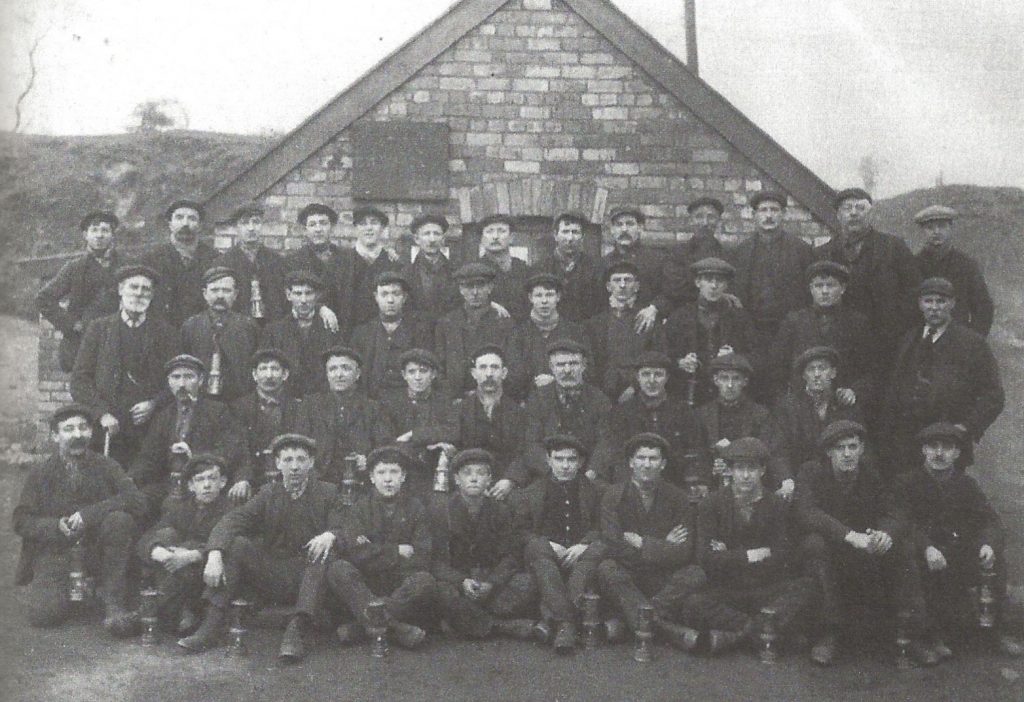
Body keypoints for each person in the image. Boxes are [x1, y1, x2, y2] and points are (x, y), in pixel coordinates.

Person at [179, 433, 347, 660]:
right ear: (278, 463)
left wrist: (330, 535)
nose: (294, 467)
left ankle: (296, 631)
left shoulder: (328, 492)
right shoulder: (269, 493)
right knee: (238, 544)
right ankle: (210, 626)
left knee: (324, 552)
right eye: (287, 460)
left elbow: (345, 526)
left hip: (311, 577)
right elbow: (233, 520)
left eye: (300, 459)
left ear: (311, 462)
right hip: (273, 574)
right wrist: (214, 554)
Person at [796, 420, 932, 666]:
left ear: (861, 449)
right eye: (840, 448)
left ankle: (912, 634)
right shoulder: (811, 472)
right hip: (833, 547)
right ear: (829, 452)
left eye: (852, 446)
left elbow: (895, 511)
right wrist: (848, 535)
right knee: (813, 545)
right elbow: (807, 512)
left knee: (904, 547)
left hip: (866, 547)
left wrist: (885, 534)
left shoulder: (871, 472)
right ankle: (829, 633)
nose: (847, 454)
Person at [13, 404, 145, 634]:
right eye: (69, 429)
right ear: (55, 436)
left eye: (83, 428)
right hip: (57, 552)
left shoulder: (107, 466)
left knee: (120, 520)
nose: (77, 435)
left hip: (98, 550)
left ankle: (113, 602)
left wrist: (89, 515)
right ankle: (68, 592)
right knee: (44, 616)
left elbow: (136, 500)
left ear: (91, 433)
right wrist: (55, 526)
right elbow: (21, 520)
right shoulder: (40, 472)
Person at [895, 423, 1023, 658]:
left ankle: (995, 632)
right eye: (933, 446)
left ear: (957, 453)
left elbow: (991, 521)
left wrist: (988, 544)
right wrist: (927, 547)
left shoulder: (966, 484)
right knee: (908, 560)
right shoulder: (907, 483)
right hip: (925, 554)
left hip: (956, 554)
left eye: (947, 447)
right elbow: (902, 523)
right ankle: (927, 636)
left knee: (995, 560)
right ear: (923, 450)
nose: (939, 453)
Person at [682, 437, 816, 654]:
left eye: (751, 469)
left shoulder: (776, 505)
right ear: (730, 471)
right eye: (740, 469)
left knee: (807, 587)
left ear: (762, 470)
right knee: (693, 605)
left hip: (765, 588)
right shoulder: (711, 505)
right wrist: (752, 555)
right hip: (727, 589)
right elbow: (705, 558)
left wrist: (728, 555)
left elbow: (782, 556)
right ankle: (766, 633)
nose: (745, 476)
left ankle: (733, 637)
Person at [596, 433, 708, 651]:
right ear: (631, 462)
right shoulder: (613, 495)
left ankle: (636, 619)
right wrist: (663, 545)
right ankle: (667, 629)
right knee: (606, 568)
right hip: (629, 576)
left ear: (663, 464)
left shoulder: (679, 498)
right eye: (641, 458)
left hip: (663, 580)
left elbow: (684, 552)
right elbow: (614, 546)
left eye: (653, 459)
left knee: (696, 573)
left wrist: (643, 543)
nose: (646, 464)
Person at [884, 277, 1004, 471]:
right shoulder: (908, 339)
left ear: (952, 303)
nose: (934, 307)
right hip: (905, 441)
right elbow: (894, 388)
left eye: (941, 301)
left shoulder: (972, 344)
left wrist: (966, 427)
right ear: (920, 304)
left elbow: (994, 396)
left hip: (947, 442)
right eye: (928, 301)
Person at [327, 446, 438, 650]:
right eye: (381, 472)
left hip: (400, 585)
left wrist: (374, 551)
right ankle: (396, 628)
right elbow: (357, 553)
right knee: (338, 569)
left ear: (403, 476)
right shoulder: (360, 507)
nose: (388, 479)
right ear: (371, 477)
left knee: (425, 581)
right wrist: (396, 551)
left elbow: (422, 556)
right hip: (367, 583)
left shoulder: (416, 508)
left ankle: (361, 626)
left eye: (394, 472)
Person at [70, 264, 181, 465]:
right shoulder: (99, 329)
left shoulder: (166, 333)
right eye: (133, 287)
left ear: (152, 294)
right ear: (121, 290)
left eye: (145, 289)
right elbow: (79, 380)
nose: (139, 293)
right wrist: (101, 414)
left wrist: (154, 404)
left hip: (149, 427)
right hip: (108, 427)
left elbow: (175, 381)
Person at [430, 448, 538, 640]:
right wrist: (461, 581)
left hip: (489, 582)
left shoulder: (501, 511)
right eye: (467, 473)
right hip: (459, 583)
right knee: (440, 592)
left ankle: (465, 621)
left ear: (489, 480)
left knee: (527, 583)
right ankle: (501, 626)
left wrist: (491, 583)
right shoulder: (442, 511)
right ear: (456, 479)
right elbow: (436, 562)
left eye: (481, 473)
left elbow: (511, 557)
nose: (474, 479)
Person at [512, 434, 606, 653]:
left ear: (581, 462)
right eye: (559, 459)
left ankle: (558, 623)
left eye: (571, 460)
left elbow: (604, 527)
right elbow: (519, 533)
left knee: (599, 548)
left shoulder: (595, 492)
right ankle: (568, 623)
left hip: (581, 558)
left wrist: (584, 544)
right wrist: (547, 545)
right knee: (536, 550)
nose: (565, 466)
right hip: (546, 557)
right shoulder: (531, 493)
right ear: (548, 459)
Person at [129, 354, 245, 518]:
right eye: (176, 377)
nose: (182, 384)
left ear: (201, 380)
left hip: (205, 485)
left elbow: (230, 452)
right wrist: (129, 480)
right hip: (169, 485)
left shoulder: (217, 411)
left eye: (189, 377)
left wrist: (194, 455)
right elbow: (149, 458)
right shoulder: (163, 415)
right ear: (169, 382)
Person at [816, 188, 921, 363]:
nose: (854, 213)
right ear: (838, 215)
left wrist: (897, 328)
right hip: (841, 343)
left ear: (870, 213)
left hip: (887, 343)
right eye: (847, 208)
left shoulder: (893, 247)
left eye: (860, 208)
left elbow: (914, 292)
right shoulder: (823, 253)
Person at [136, 453, 233, 635]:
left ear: (223, 482)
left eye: (212, 478)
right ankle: (175, 614)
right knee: (166, 534)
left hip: (205, 582)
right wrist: (157, 551)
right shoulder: (181, 508)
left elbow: (231, 546)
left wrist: (190, 555)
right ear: (190, 485)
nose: (206, 485)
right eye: (200, 479)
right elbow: (146, 538)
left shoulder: (230, 510)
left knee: (189, 547)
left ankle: (149, 613)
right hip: (178, 575)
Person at [590, 351, 708, 487]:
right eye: (646, 374)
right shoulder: (620, 413)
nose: (652, 380)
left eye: (658, 374)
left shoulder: (683, 412)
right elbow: (612, 455)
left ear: (667, 377)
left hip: (673, 487)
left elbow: (696, 451)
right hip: (631, 487)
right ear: (637, 377)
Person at [771, 261, 876, 406]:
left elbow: (870, 370)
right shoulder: (794, 321)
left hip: (841, 402)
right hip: (801, 403)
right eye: (819, 286)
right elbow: (778, 366)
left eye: (831, 285)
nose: (824, 291)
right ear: (811, 289)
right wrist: (787, 399)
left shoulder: (857, 323)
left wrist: (854, 391)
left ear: (843, 288)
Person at [768, 346, 862, 501]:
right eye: (811, 370)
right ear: (804, 375)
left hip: (839, 483)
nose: (817, 375)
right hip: (801, 484)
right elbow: (778, 450)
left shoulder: (845, 405)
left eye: (822, 368)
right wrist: (786, 479)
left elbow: (861, 447)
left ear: (833, 373)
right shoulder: (788, 407)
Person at [295, 346, 394, 488]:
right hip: (319, 481)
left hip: (360, 481)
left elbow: (385, 447)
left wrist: (368, 460)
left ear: (358, 373)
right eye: (332, 369)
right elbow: (300, 445)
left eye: (345, 368)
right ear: (327, 374)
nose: (339, 374)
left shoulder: (373, 408)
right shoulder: (310, 405)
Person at [37, 210, 123, 372]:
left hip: (117, 340)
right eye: (94, 230)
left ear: (112, 235)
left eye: (105, 230)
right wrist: (71, 324)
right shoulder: (74, 267)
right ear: (85, 235)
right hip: (82, 342)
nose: (99, 235)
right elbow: (43, 298)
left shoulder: (126, 265)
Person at [730, 191, 815, 352]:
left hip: (791, 330)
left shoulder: (801, 250)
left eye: (774, 210)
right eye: (763, 210)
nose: (769, 216)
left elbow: (810, 292)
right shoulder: (741, 252)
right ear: (754, 215)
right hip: (752, 330)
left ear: (783, 214)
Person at [664, 257, 755, 406]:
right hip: (689, 392)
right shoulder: (679, 317)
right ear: (698, 282)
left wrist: (735, 358)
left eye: (719, 281)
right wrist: (680, 362)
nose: (714, 286)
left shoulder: (740, 318)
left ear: (726, 285)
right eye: (708, 280)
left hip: (727, 394)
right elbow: (664, 353)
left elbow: (758, 356)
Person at [522, 339, 611, 483]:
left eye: (573, 364)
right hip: (548, 474)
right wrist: (553, 471)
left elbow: (605, 443)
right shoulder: (538, 399)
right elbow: (531, 443)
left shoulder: (599, 400)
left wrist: (592, 472)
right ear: (551, 367)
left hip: (587, 476)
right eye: (561, 364)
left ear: (583, 366)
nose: (567, 370)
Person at [585, 260, 667, 402]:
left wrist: (635, 388)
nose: (622, 285)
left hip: (639, 394)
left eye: (628, 280)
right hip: (600, 393)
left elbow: (658, 359)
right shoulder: (594, 323)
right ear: (608, 287)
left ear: (636, 286)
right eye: (617, 280)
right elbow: (589, 362)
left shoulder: (648, 320)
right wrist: (598, 392)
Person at [228, 348, 306, 498]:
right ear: (254, 375)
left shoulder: (299, 408)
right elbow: (238, 447)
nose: (269, 375)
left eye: (275, 369)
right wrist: (243, 478)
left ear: (285, 374)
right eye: (263, 369)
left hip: (287, 478)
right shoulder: (238, 408)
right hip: (252, 480)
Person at [380, 349, 458, 497]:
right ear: (404, 375)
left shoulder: (444, 402)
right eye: (412, 372)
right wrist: (429, 445)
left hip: (434, 470)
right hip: (401, 470)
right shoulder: (390, 403)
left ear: (433, 374)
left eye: (423, 371)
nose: (417, 377)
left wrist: (413, 435)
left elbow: (453, 430)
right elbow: (387, 440)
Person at [454, 345, 528, 495]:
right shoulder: (460, 410)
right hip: (469, 484)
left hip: (506, 484)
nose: (489, 373)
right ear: (474, 373)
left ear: (504, 373)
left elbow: (524, 451)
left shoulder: (518, 412)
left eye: (495, 367)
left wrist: (510, 480)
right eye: (483, 367)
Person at [434, 262, 516, 398]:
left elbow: (512, 366)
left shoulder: (504, 323)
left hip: (494, 397)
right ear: (461, 289)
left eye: (481, 286)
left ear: (490, 287)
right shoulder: (446, 323)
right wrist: (453, 396)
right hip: (456, 400)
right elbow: (439, 367)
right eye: (469, 287)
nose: (475, 292)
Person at [913, 205, 993, 337]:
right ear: (922, 231)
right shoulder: (912, 265)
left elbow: (983, 308)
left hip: (958, 341)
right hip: (923, 341)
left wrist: (972, 341)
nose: (936, 232)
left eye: (941, 226)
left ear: (951, 228)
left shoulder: (966, 265)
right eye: (930, 228)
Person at [181, 266, 259, 402]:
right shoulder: (191, 326)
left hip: (239, 401)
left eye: (226, 290)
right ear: (205, 294)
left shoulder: (248, 327)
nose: (220, 296)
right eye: (214, 290)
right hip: (201, 402)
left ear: (235, 294)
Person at [509, 273, 591, 400]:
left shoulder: (576, 332)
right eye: (538, 295)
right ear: (530, 298)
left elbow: (590, 370)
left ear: (558, 297)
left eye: (549, 295)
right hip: (529, 401)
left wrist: (558, 379)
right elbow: (513, 375)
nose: (544, 301)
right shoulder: (518, 334)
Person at [351, 270, 432, 398]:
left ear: (404, 297)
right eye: (384, 294)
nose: (390, 300)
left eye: (396, 294)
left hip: (407, 402)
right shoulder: (362, 333)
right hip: (372, 402)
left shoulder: (419, 331)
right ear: (376, 297)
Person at [695, 353, 772, 489]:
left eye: (736, 379)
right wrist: (711, 470)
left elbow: (765, 452)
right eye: (724, 378)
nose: (730, 385)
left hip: (749, 481)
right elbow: (699, 452)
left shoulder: (760, 414)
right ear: (716, 380)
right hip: (713, 484)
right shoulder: (703, 414)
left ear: (745, 382)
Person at [259, 270, 339, 398]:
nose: (303, 300)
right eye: (298, 293)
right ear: (288, 295)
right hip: (286, 400)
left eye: (308, 293)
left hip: (322, 399)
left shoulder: (330, 327)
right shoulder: (274, 331)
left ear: (317, 295)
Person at [139, 200, 220, 327]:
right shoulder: (150, 259)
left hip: (203, 332)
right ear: (170, 224)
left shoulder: (215, 259)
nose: (185, 223)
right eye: (179, 217)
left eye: (192, 218)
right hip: (162, 331)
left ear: (200, 226)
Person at [285, 203, 356, 337]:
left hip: (345, 330)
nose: (318, 229)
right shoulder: (293, 261)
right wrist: (320, 307)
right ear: (305, 230)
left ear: (332, 228)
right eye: (312, 225)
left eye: (323, 223)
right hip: (308, 330)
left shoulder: (348, 258)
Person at [599, 206, 674, 331]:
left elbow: (670, 293)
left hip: (647, 329)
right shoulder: (603, 263)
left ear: (640, 228)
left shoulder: (657, 260)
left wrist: (654, 308)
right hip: (612, 329)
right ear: (611, 230)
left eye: (630, 224)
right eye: (619, 225)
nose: (624, 229)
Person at [216, 204, 289, 323]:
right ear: (236, 227)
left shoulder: (277, 261)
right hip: (236, 329)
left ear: (262, 226)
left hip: (270, 328)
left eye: (256, 222)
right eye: (245, 223)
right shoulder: (223, 262)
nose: (251, 228)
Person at [535, 212, 603, 322]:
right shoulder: (540, 267)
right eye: (565, 232)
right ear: (555, 235)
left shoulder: (595, 268)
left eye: (575, 232)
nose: (570, 238)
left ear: (583, 236)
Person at [662, 197, 729, 307]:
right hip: (685, 311)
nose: (705, 223)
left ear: (718, 221)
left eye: (711, 217)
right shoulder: (677, 253)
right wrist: (717, 294)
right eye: (699, 217)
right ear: (691, 221)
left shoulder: (727, 255)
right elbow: (673, 289)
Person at [402, 213, 461, 325]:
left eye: (436, 234)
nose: (432, 239)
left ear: (443, 239)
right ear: (417, 239)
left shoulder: (456, 271)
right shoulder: (405, 273)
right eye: (426, 234)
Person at [351, 206, 405, 326]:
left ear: (383, 229)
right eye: (363, 224)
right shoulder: (341, 261)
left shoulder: (394, 263)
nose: (369, 228)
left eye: (374, 223)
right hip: (348, 333)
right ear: (356, 229)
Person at [478, 214, 533, 321]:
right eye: (489, 231)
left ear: (511, 237)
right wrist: (488, 305)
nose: (495, 236)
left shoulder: (523, 269)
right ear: (482, 238)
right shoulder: (474, 270)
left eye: (501, 231)